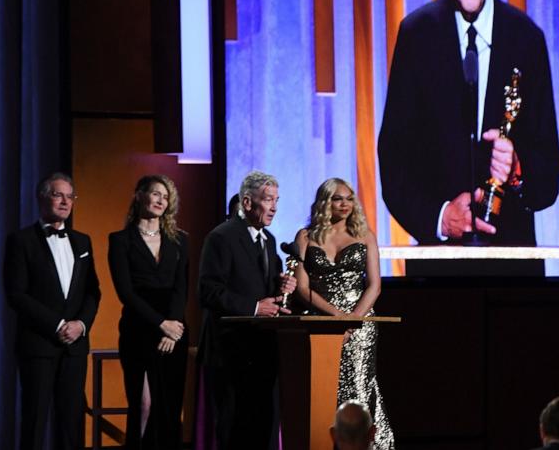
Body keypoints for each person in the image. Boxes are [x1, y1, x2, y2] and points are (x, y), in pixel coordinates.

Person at [377, 0, 559, 276]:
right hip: (438, 276)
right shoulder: (416, 35)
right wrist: (440, 217)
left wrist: (518, 170)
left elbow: (550, 169)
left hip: (513, 275)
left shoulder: (527, 40)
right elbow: (393, 162)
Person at [198, 170, 298, 449]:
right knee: (234, 429)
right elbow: (208, 292)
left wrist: (282, 289)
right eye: (268, 199)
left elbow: (266, 295)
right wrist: (254, 307)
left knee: (263, 426)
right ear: (246, 202)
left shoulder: (270, 241)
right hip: (230, 350)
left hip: (262, 349)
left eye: (277, 200)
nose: (275, 207)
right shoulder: (221, 237)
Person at [293, 178, 394, 449]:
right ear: (325, 202)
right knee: (324, 391)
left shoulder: (365, 235)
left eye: (349, 198)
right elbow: (302, 288)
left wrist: (352, 321)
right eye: (338, 199)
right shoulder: (304, 237)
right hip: (320, 324)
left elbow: (374, 286)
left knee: (359, 387)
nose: (345, 204)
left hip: (360, 327)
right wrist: (336, 317)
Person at [4, 172, 101, 450]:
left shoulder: (83, 241)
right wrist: (58, 325)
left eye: (70, 196)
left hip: (75, 348)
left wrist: (81, 324)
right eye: (59, 195)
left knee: (71, 422)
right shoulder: (21, 241)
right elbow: (16, 294)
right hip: (39, 345)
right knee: (35, 420)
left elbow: (93, 291)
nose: (65, 202)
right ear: (43, 197)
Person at [108, 175, 188, 449]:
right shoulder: (120, 240)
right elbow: (126, 293)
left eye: (165, 197)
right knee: (143, 404)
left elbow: (181, 287)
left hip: (174, 333)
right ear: (140, 195)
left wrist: (173, 325)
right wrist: (161, 324)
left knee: (168, 408)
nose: (160, 200)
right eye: (155, 194)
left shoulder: (179, 241)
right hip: (138, 330)